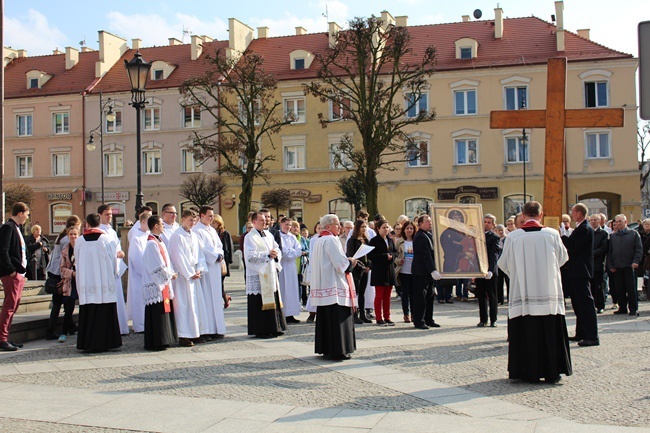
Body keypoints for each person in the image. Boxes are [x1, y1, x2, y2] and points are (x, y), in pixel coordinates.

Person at [497, 201, 571, 383]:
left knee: (526, 329)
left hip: (523, 292)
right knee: (549, 330)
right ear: (541, 215)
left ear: (523, 215)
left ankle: (525, 370)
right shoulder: (552, 234)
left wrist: (518, 274)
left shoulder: (513, 237)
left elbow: (503, 264)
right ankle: (552, 370)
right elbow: (563, 258)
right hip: (548, 291)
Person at [310, 214, 357, 360]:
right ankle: (339, 350)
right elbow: (340, 265)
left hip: (323, 285)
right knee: (337, 319)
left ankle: (327, 349)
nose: (340, 227)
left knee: (326, 319)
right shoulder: (331, 240)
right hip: (334, 286)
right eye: (337, 224)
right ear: (328, 226)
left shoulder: (318, 240)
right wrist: (351, 262)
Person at [75, 213, 122, 353]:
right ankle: (107, 342)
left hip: (86, 282)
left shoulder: (79, 241)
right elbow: (114, 260)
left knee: (89, 313)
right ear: (99, 223)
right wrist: (113, 274)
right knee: (105, 312)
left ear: (87, 224)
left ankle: (88, 343)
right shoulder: (107, 239)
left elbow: (76, 261)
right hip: (104, 282)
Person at [168, 209, 209, 347]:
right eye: (190, 220)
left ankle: (196, 332)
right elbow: (177, 257)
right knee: (184, 306)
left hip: (194, 275)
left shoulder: (193, 235)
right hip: (183, 277)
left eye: (194, 220)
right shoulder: (177, 236)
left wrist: (199, 269)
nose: (193, 223)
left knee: (196, 305)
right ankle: (184, 335)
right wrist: (189, 272)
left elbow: (199, 255)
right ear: (183, 220)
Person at [244, 211, 287, 338]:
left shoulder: (268, 234)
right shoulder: (249, 237)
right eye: (261, 220)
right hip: (259, 273)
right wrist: (267, 255)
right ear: (254, 222)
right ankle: (261, 329)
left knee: (273, 298)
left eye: (265, 220)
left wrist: (275, 254)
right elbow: (250, 257)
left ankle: (274, 327)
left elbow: (277, 248)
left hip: (270, 271)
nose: (265, 222)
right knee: (259, 301)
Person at [562, 203, 599, 346]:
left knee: (585, 303)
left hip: (581, 271)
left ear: (579, 213)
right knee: (578, 304)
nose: (571, 215)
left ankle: (592, 336)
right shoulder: (581, 228)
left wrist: (563, 237)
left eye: (573, 212)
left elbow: (574, 247)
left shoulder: (585, 229)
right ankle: (581, 333)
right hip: (576, 270)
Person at [142, 215, 179, 351]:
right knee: (157, 312)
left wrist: (170, 272)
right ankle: (157, 341)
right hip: (156, 284)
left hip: (163, 284)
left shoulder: (160, 241)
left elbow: (165, 262)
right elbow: (156, 266)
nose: (163, 226)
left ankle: (165, 339)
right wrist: (170, 275)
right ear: (156, 226)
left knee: (163, 311)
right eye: (161, 224)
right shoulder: (152, 243)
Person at [45, 215, 81, 340]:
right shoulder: (67, 239)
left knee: (62, 302)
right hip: (60, 273)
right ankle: (51, 329)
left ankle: (70, 326)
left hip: (53, 271)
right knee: (60, 302)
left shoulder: (60, 236)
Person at [0, 202, 30, 351]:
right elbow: (3, 251)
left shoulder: (17, 229)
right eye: (26, 214)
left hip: (19, 274)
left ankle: (7, 338)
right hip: (11, 274)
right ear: (20, 213)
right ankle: (2, 339)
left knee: (14, 305)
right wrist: (11, 271)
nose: (27, 217)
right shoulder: (8, 228)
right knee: (9, 306)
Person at [194, 206, 227, 339]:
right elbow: (202, 249)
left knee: (215, 299)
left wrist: (220, 255)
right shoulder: (197, 230)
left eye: (212, 216)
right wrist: (215, 256)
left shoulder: (212, 230)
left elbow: (219, 246)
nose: (212, 218)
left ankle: (217, 328)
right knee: (207, 298)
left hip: (215, 268)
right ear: (201, 216)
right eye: (209, 216)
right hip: (206, 269)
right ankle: (207, 330)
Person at [98, 204, 129, 335]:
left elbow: (117, 246)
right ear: (99, 215)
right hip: (105, 270)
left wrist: (120, 252)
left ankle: (121, 327)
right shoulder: (99, 231)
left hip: (115, 268)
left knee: (119, 299)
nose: (109, 217)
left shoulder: (111, 230)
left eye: (111, 214)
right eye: (107, 214)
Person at [606, 214, 642, 317]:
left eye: (620, 221)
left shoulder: (634, 234)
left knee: (631, 289)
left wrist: (636, 261)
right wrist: (610, 264)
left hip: (629, 266)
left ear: (625, 222)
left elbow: (638, 249)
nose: (617, 223)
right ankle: (622, 308)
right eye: (616, 222)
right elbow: (610, 252)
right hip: (617, 266)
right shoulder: (613, 236)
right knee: (619, 288)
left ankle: (633, 308)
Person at [411, 214, 441, 330]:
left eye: (430, 221)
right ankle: (419, 321)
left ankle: (429, 319)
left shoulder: (428, 235)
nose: (430, 223)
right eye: (427, 221)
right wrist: (432, 270)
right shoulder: (420, 237)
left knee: (430, 296)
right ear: (420, 224)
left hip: (427, 272)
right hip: (421, 272)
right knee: (421, 297)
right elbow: (425, 255)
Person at [368, 219, 397, 326]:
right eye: (383, 227)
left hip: (389, 270)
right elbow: (371, 256)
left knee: (387, 296)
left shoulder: (390, 240)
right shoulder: (374, 241)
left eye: (387, 227)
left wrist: (392, 256)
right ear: (378, 229)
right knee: (379, 295)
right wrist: (385, 256)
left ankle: (387, 316)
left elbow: (395, 252)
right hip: (379, 271)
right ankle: (379, 318)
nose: (386, 229)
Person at [475, 214, 502, 327]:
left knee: (492, 296)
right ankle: (483, 319)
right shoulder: (477, 235)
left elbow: (494, 255)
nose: (486, 224)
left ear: (493, 225)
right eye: (485, 221)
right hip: (479, 270)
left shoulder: (494, 237)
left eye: (489, 222)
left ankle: (493, 319)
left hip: (490, 271)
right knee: (481, 296)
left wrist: (490, 270)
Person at [127, 211, 151, 334]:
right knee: (139, 300)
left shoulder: (149, 235)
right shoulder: (136, 237)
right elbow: (136, 258)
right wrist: (146, 272)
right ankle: (140, 325)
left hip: (149, 274)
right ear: (142, 222)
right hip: (140, 275)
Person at [57, 225, 80, 343]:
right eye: (71, 234)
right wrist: (72, 273)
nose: (73, 237)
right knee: (69, 307)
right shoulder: (65, 250)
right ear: (68, 235)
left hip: (81, 281)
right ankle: (63, 332)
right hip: (70, 282)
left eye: (75, 234)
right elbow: (62, 268)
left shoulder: (82, 248)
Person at [346, 219, 372, 324]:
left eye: (365, 227)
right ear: (357, 228)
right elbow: (351, 256)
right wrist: (362, 267)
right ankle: (354, 314)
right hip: (356, 270)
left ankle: (363, 314)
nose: (364, 229)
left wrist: (369, 266)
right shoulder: (352, 241)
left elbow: (370, 255)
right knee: (355, 293)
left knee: (362, 293)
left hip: (365, 270)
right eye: (362, 227)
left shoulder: (366, 240)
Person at [278, 217, 303, 323]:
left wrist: (290, 252)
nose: (288, 227)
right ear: (281, 224)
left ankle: (291, 314)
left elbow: (299, 250)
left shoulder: (292, 237)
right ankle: (283, 313)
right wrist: (290, 252)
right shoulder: (278, 236)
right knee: (284, 289)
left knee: (292, 289)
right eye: (286, 224)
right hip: (282, 266)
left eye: (290, 225)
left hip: (292, 267)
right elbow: (281, 251)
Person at [396, 220, 416, 323]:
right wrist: (399, 261)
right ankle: (405, 314)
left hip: (415, 271)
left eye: (411, 228)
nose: (409, 230)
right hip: (404, 270)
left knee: (413, 293)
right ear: (404, 230)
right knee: (405, 293)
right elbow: (394, 255)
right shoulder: (400, 241)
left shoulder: (416, 240)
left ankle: (413, 313)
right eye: (407, 228)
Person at [589, 214, 608, 313]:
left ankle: (600, 305)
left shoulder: (603, 233)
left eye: (595, 220)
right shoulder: (588, 232)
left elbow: (604, 248)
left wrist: (591, 253)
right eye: (591, 220)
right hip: (588, 264)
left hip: (598, 264)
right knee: (590, 286)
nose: (593, 222)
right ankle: (591, 305)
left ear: (600, 221)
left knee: (598, 286)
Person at [214, 214, 233, 307]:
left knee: (219, 283)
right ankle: (225, 297)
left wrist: (230, 261)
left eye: (216, 223)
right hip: (215, 262)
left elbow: (230, 246)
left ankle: (225, 298)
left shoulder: (225, 233)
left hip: (223, 262)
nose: (214, 224)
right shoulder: (211, 232)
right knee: (218, 284)